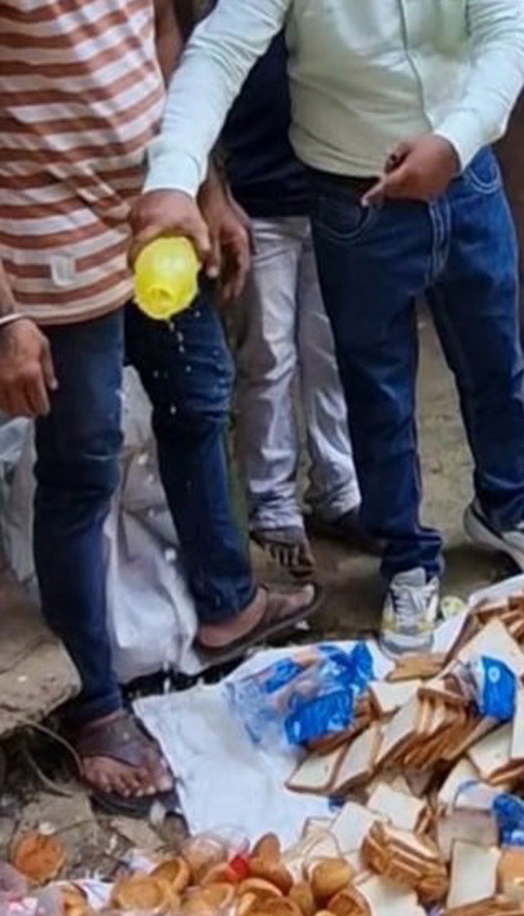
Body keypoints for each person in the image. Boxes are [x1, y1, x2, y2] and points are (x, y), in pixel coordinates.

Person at [0, 0, 320, 808]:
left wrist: (206, 184)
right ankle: (93, 701)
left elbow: (164, 38)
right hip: (51, 239)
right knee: (83, 465)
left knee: (198, 401)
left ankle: (227, 606)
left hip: (156, 210)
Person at [133, 0, 524, 654]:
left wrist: (453, 143)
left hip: (469, 180)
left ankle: (507, 509)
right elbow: (217, 53)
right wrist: (175, 174)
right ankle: (406, 560)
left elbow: (506, 29)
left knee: (494, 365)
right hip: (357, 200)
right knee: (378, 394)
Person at [219, 33, 375, 580]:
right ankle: (272, 501)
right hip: (258, 205)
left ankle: (338, 488)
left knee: (329, 353)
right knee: (268, 357)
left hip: (332, 198)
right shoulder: (235, 17)